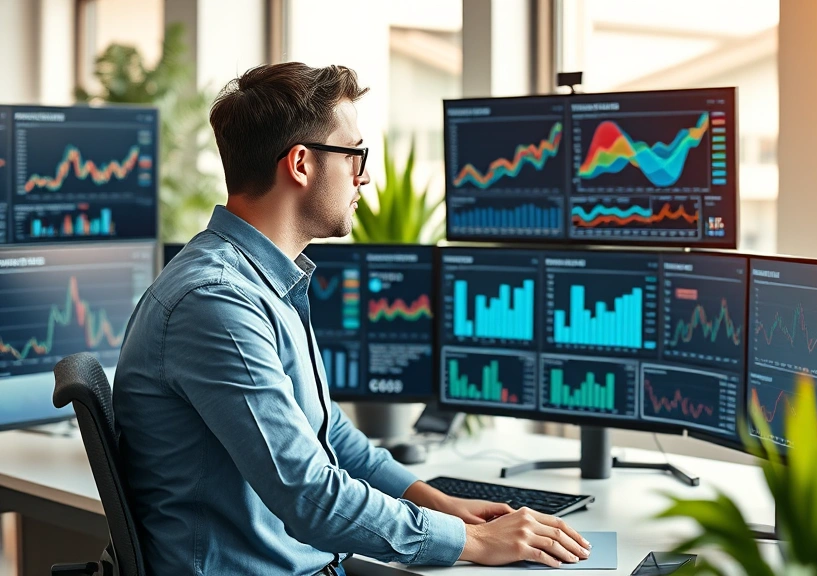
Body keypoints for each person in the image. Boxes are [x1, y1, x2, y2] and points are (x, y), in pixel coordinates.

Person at [113, 62, 591, 576]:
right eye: (354, 154)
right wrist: (471, 543)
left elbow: (327, 434)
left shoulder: (261, 281)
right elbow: (309, 496)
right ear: (300, 163)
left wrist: (437, 503)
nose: (365, 174)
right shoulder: (217, 304)